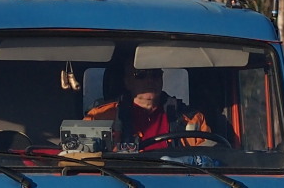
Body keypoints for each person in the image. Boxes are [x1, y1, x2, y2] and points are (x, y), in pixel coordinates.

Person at [85, 63, 215, 152]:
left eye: (155, 75)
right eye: (140, 75)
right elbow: (80, 157)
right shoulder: (98, 117)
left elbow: (210, 159)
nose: (150, 81)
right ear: (127, 81)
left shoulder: (192, 119)